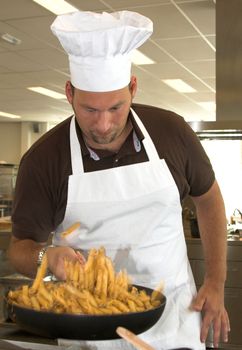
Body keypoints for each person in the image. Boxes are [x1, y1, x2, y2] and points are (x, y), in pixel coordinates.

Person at [8, 10, 229, 350]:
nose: (103, 125)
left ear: (133, 88)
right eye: (89, 110)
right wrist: (46, 258)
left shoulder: (172, 133)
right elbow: (19, 248)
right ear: (69, 93)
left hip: (174, 321)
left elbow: (209, 199)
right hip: (89, 330)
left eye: (115, 107)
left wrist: (216, 281)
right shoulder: (43, 161)